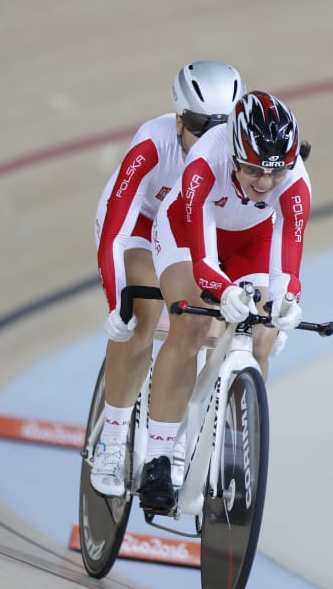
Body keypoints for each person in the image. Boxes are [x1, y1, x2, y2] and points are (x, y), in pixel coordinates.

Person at [137, 90, 313, 513]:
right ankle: (158, 457)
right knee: (193, 325)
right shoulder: (204, 162)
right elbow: (202, 260)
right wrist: (223, 291)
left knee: (260, 339)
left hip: (251, 238)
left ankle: (232, 448)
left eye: (276, 172)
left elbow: (289, 255)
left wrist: (286, 300)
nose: (265, 182)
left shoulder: (295, 183)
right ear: (235, 151)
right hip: (187, 229)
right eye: (254, 169)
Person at [90, 61, 246, 498]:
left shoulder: (236, 155)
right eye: (200, 125)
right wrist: (115, 298)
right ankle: (113, 437)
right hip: (139, 226)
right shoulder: (152, 144)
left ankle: (174, 441)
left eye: (225, 125)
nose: (213, 136)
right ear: (179, 120)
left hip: (187, 231)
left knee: (201, 324)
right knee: (143, 313)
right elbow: (116, 232)